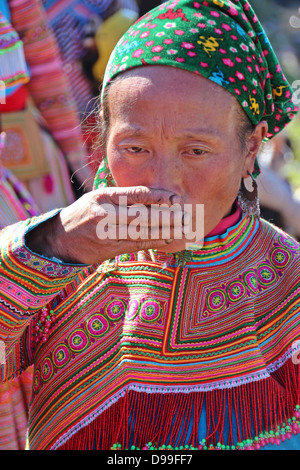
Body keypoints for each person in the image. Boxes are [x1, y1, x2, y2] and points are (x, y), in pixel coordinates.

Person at [0, 0, 300, 451]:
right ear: (102, 138)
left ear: (250, 148)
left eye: (196, 151)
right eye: (135, 148)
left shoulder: (289, 279)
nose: (163, 185)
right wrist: (53, 242)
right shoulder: (58, 262)